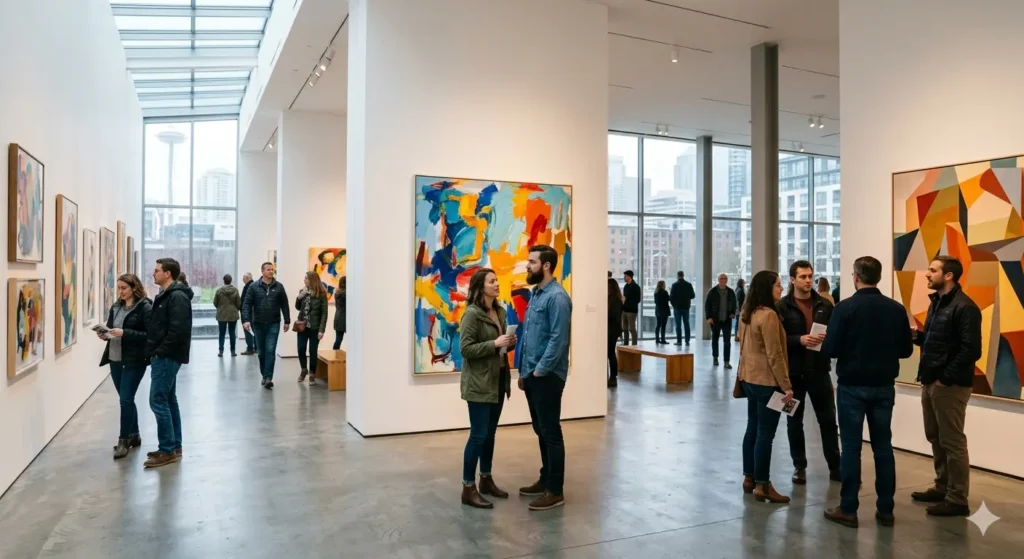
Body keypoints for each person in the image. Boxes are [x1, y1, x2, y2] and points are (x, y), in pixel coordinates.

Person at [821, 256, 913, 528]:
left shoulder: (845, 309)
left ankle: (848, 509)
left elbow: (831, 349)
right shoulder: (896, 309)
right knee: (883, 447)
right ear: (879, 277)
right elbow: (906, 350)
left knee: (851, 448)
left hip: (851, 387)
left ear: (856, 277)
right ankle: (886, 510)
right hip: (884, 387)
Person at [910, 255, 982, 517]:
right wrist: (916, 336)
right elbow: (935, 341)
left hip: (949, 386)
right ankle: (942, 486)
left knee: (952, 441)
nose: (927, 274)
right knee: (935, 437)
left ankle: (957, 498)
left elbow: (971, 350)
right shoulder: (937, 304)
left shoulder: (965, 307)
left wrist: (945, 378)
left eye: (932, 270)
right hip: (931, 381)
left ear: (948, 275)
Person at [516, 245, 572, 511]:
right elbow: (529, 337)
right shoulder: (537, 294)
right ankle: (545, 479)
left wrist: (539, 371)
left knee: (551, 433)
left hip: (547, 376)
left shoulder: (557, 298)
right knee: (541, 430)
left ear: (546, 266)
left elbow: (558, 340)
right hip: (533, 374)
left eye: (532, 261)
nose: (527, 265)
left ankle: (555, 490)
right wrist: (524, 372)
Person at [778, 261, 840, 485]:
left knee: (828, 421)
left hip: (820, 372)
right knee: (794, 422)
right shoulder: (782, 307)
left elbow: (835, 334)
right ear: (792, 279)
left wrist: (828, 341)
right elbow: (776, 341)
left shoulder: (824, 305)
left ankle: (835, 466)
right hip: (792, 376)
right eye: (802, 276)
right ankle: (799, 466)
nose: (807, 280)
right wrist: (799, 340)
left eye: (810, 276)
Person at [459, 268, 516, 509]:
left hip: (497, 381)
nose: (496, 284)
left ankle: (486, 479)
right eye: (491, 281)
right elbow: (466, 349)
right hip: (479, 383)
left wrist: (508, 344)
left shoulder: (499, 311)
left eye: (496, 280)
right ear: (480, 287)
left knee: (490, 434)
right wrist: (494, 343)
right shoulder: (472, 314)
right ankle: (467, 487)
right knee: (478, 435)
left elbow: (499, 349)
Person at [737, 270, 792, 504]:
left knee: (753, 428)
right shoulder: (769, 316)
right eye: (778, 285)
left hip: (749, 379)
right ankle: (763, 484)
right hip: (767, 383)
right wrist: (786, 386)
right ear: (766, 288)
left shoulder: (747, 313)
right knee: (765, 435)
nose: (782, 289)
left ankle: (749, 478)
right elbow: (775, 354)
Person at [144, 258, 192, 468]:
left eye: (157, 271)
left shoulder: (177, 297)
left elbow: (177, 330)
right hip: (165, 355)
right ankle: (173, 445)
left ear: (168, 274)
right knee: (168, 400)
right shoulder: (166, 295)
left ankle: (167, 450)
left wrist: (159, 352)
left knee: (158, 400)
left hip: (167, 356)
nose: (153, 273)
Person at [99, 273, 152, 460]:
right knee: (125, 398)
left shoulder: (145, 307)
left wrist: (125, 333)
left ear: (134, 288)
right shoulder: (116, 307)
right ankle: (135, 435)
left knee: (126, 399)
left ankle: (123, 440)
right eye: (119, 288)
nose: (120, 291)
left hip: (134, 360)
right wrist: (105, 334)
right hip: (115, 358)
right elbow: (110, 327)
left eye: (124, 288)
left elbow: (149, 335)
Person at [242, 262, 291, 389]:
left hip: (273, 323)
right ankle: (264, 374)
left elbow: (284, 304)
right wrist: (246, 320)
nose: (271, 272)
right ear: (262, 271)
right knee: (261, 352)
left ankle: (268, 377)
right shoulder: (253, 286)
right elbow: (246, 304)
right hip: (257, 323)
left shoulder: (279, 287)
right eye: (268, 269)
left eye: (272, 270)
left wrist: (287, 320)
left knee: (270, 350)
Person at [295, 271, 328, 383]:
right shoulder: (303, 291)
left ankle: (312, 374)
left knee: (313, 351)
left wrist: (321, 330)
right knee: (300, 348)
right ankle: (304, 369)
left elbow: (324, 313)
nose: (304, 280)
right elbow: (297, 307)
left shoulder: (322, 294)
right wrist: (299, 297)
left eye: (306, 278)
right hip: (302, 326)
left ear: (312, 280)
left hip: (314, 327)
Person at [705, 273, 738, 368]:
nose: (723, 280)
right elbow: (707, 305)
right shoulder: (712, 292)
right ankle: (715, 357)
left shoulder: (731, 292)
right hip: (715, 321)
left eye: (725, 278)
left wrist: (733, 313)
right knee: (715, 340)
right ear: (718, 280)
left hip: (727, 320)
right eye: (721, 278)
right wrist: (708, 317)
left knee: (727, 342)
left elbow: (735, 304)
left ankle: (726, 361)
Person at [213, 274, 241, 357]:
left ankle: (221, 351)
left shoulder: (218, 291)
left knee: (221, 333)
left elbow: (215, 303)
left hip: (221, 314)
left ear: (223, 280)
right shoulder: (235, 290)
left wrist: (220, 307)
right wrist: (235, 309)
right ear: (231, 281)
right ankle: (233, 351)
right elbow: (239, 303)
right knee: (232, 332)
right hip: (233, 314)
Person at [670, 271, 695, 346]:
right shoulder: (688, 285)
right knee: (686, 324)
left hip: (677, 308)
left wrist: (674, 305)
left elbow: (671, 297)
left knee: (678, 325)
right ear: (683, 275)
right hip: (686, 307)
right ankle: (687, 341)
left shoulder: (674, 285)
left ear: (677, 276)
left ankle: (679, 341)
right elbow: (693, 296)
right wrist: (686, 298)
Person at [607, 278, 623, 388]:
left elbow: (614, 316)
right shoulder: (612, 299)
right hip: (612, 329)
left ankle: (613, 376)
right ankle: (612, 376)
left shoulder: (615, 300)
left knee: (611, 353)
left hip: (612, 330)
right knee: (610, 353)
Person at [621, 270, 640, 345]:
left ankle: (634, 345)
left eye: (625, 276)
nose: (624, 278)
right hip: (624, 310)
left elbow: (638, 299)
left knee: (631, 329)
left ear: (629, 277)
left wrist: (628, 300)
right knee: (624, 329)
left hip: (632, 311)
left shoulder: (636, 287)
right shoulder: (626, 286)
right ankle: (626, 345)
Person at [240, 272, 256, 355]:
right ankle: (256, 348)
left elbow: (245, 301)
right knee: (254, 330)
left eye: (244, 277)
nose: (243, 279)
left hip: (248, 313)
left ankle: (250, 348)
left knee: (248, 330)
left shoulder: (249, 286)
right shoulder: (253, 285)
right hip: (252, 312)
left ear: (247, 278)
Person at [654, 280, 670, 344]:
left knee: (658, 325)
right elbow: (669, 299)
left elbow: (655, 302)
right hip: (664, 311)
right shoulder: (665, 292)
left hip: (658, 310)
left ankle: (657, 339)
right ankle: (663, 340)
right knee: (663, 326)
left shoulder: (656, 293)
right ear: (663, 285)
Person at [333, 276, 347, 350]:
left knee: (338, 339)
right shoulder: (346, 293)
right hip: (346, 317)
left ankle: (334, 355)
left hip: (338, 316)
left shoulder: (337, 293)